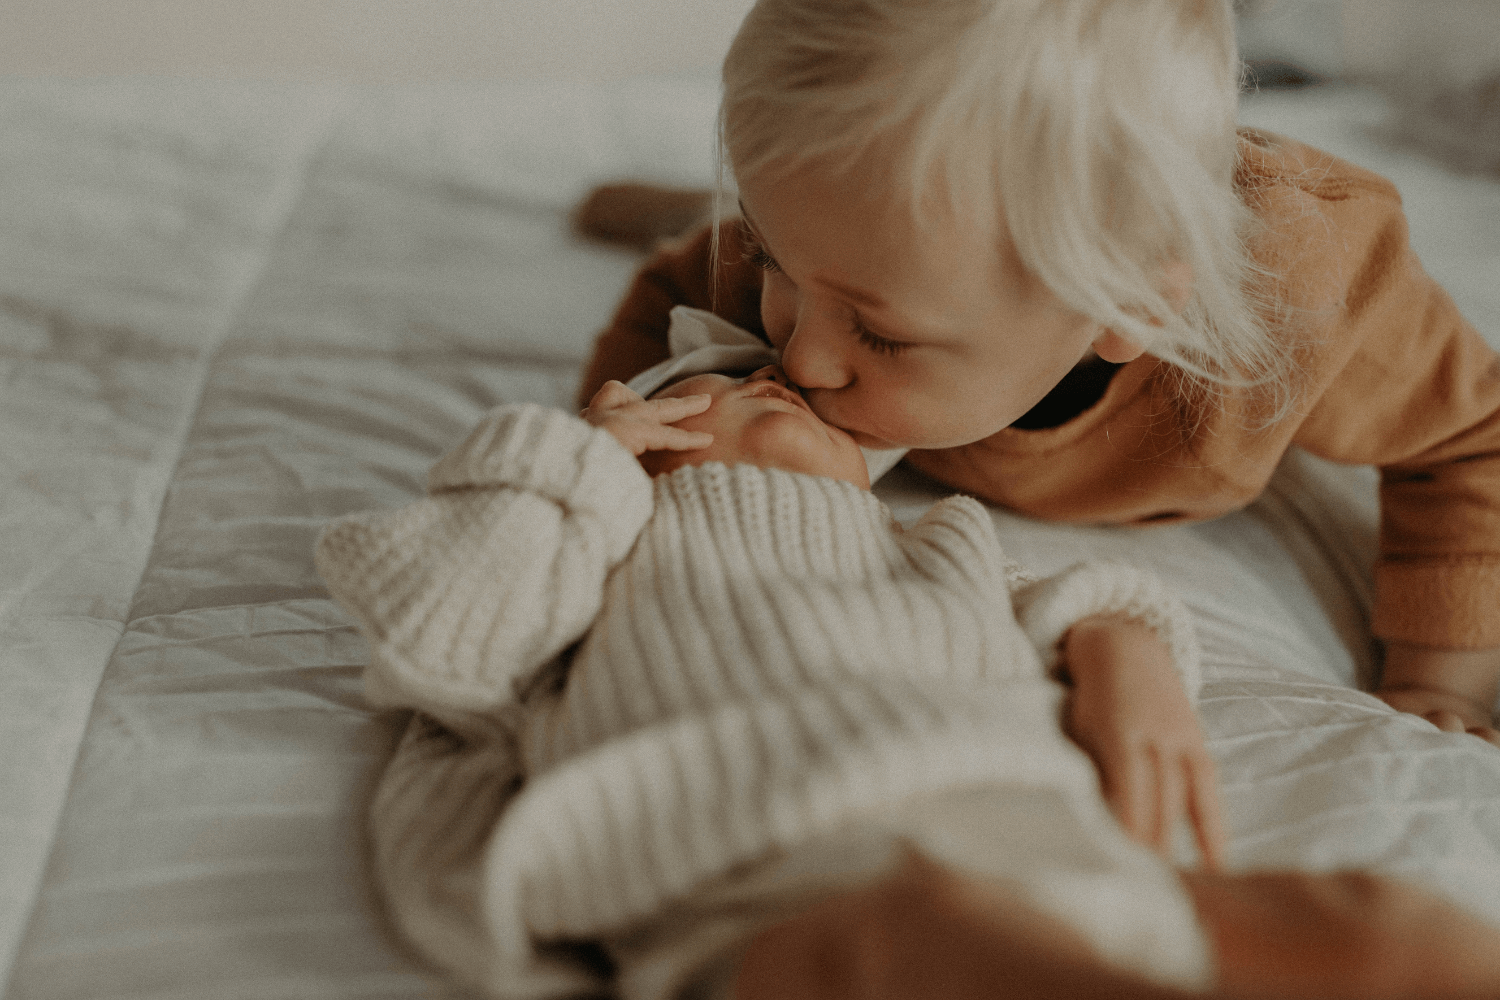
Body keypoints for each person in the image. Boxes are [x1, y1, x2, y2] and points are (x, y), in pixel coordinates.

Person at [316, 349, 1500, 1000]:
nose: (767, 377)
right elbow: (440, 626)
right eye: (714, 385)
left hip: (1052, 854)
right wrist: (578, 465)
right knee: (923, 936)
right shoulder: (603, 538)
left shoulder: (934, 537)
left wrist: (1121, 644)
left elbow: (1074, 598)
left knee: (1400, 936)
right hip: (786, 878)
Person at [574, 0, 1500, 753]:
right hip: (877, 228)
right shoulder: (835, 268)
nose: (802, 359)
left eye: (880, 334)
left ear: (1132, 308)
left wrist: (1435, 674)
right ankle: (706, 207)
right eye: (776, 259)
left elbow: (1472, 434)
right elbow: (676, 294)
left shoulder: (1314, 292)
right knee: (771, 243)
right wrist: (615, 457)